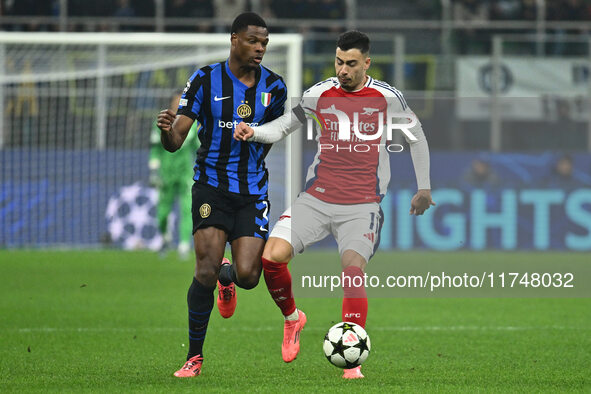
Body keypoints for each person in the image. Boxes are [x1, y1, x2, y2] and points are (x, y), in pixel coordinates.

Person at [234, 30, 435, 379]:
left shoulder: (388, 97)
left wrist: (425, 188)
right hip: (316, 197)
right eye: (339, 62)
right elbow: (285, 125)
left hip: (362, 205)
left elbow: (416, 137)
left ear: (367, 63)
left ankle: (352, 363)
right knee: (271, 257)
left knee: (352, 272)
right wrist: (255, 131)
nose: (343, 70)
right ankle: (293, 318)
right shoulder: (319, 94)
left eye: (351, 64)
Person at [156, 12, 287, 378]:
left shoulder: (275, 88)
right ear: (234, 39)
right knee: (204, 269)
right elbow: (175, 141)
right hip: (211, 185)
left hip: (251, 191)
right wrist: (168, 130)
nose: (260, 48)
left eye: (264, 43)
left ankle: (227, 279)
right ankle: (194, 357)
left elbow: (277, 133)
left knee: (248, 275)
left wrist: (257, 136)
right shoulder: (204, 79)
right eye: (253, 41)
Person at [149, 90, 200, 259]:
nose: (179, 105)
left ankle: (184, 245)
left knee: (187, 208)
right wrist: (154, 170)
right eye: (176, 101)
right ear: (171, 103)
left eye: (182, 102)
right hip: (166, 173)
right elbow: (155, 148)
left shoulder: (192, 124)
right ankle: (165, 238)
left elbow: (199, 148)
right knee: (163, 212)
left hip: (185, 173)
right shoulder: (163, 121)